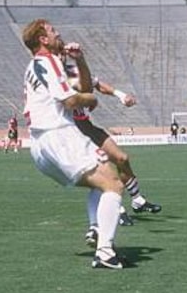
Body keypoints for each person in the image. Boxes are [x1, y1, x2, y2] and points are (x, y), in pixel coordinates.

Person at [22, 19, 128, 269]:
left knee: (102, 183)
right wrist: (91, 99)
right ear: (43, 39)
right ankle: (104, 252)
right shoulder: (47, 62)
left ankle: (96, 230)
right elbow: (72, 100)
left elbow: (82, 85)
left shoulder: (38, 65)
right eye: (52, 30)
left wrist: (80, 61)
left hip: (40, 146)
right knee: (113, 183)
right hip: (58, 135)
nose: (58, 33)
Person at [62, 56, 162, 241]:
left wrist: (120, 95)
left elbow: (97, 84)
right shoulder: (54, 77)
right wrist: (89, 99)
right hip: (71, 131)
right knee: (104, 171)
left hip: (86, 125)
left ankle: (138, 200)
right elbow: (75, 97)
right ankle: (111, 215)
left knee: (122, 158)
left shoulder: (73, 71)